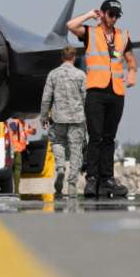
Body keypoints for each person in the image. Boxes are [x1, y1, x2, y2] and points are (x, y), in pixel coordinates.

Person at [66, 0, 136, 198]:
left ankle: (107, 180)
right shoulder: (91, 33)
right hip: (96, 91)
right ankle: (92, 180)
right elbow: (70, 25)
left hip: (116, 93)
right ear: (103, 14)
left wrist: (132, 72)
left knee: (109, 138)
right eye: (111, 14)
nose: (114, 19)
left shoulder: (122, 36)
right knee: (95, 137)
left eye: (116, 16)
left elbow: (130, 59)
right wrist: (89, 14)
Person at [39, 46, 87, 197]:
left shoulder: (53, 74)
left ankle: (60, 167)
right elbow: (86, 97)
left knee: (58, 143)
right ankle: (72, 183)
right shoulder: (81, 75)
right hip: (77, 118)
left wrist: (44, 116)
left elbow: (46, 97)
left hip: (58, 117)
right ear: (74, 57)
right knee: (75, 149)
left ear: (62, 57)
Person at [6, 117, 35, 195]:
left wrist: (34, 128)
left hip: (19, 150)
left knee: (16, 169)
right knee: (17, 169)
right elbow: (13, 130)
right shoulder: (14, 122)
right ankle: (16, 190)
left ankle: (15, 189)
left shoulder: (24, 124)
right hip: (14, 149)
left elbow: (32, 132)